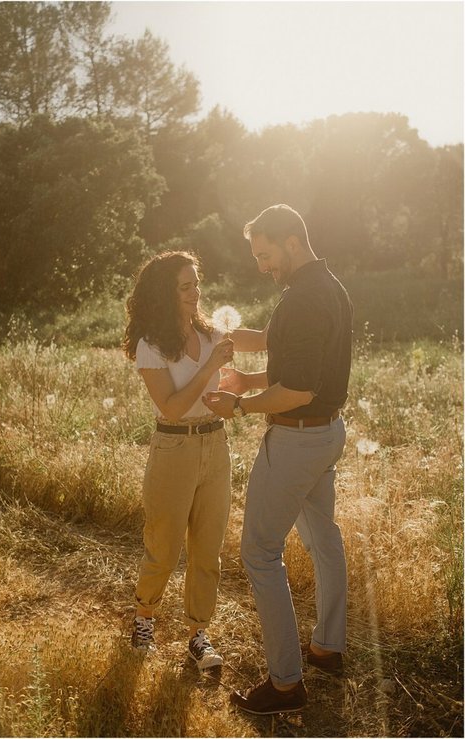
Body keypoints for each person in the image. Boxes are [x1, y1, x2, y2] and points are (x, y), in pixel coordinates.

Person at [203, 203, 352, 715]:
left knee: (260, 552)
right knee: (323, 536)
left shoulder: (305, 297)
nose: (262, 266)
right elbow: (287, 357)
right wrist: (247, 377)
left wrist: (241, 404)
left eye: (265, 254)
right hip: (327, 434)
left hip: (297, 440)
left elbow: (299, 387)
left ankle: (286, 684)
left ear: (292, 241)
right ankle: (328, 647)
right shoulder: (325, 287)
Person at [122, 251, 234, 669]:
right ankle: (144, 618)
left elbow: (245, 347)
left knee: (208, 549)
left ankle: (198, 634)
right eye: (185, 287)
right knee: (163, 549)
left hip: (216, 446)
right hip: (174, 448)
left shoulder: (210, 333)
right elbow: (170, 407)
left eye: (196, 284)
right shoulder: (150, 345)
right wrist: (209, 369)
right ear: (164, 294)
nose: (195, 293)